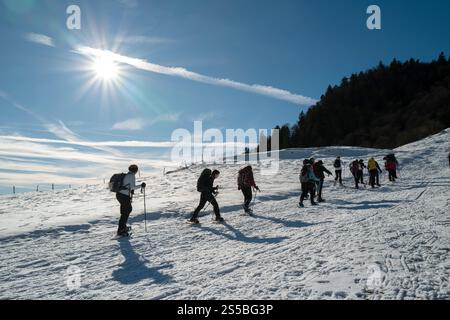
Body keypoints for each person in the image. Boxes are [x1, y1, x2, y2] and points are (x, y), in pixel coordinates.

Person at [116, 164, 146, 237]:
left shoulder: (127, 175)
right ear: (135, 170)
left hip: (120, 195)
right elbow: (132, 187)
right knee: (127, 211)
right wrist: (141, 186)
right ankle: (121, 230)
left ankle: (123, 227)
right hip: (124, 196)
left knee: (125, 211)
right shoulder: (131, 176)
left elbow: (129, 186)